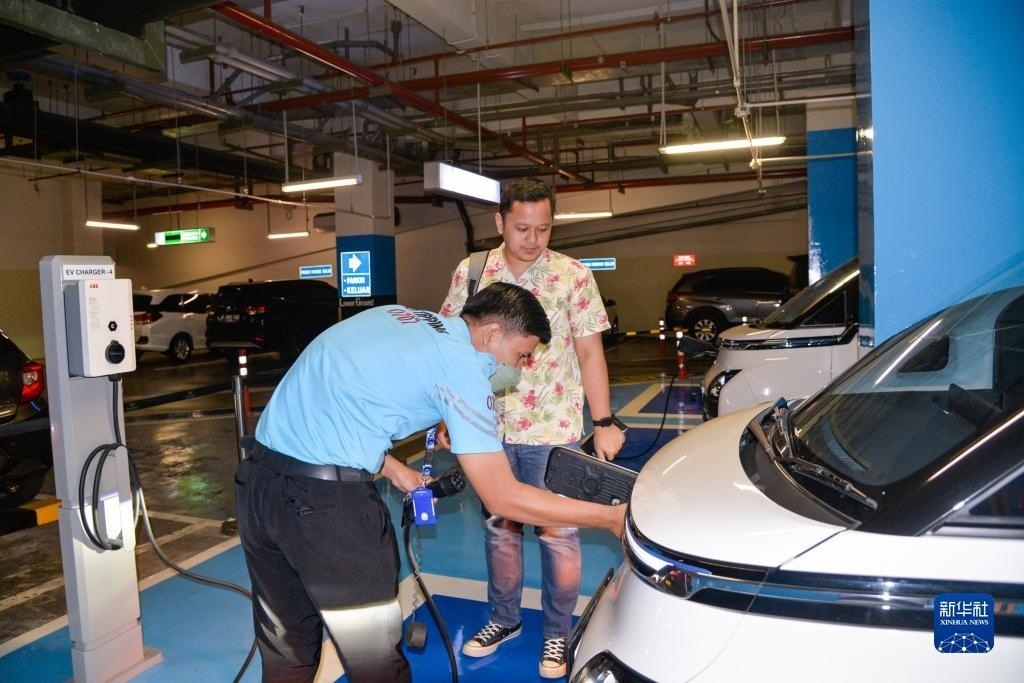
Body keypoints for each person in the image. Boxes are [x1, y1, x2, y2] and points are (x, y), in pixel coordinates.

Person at [234, 282, 625, 683]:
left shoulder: (400, 316)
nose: (520, 368)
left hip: (257, 487)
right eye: (521, 355)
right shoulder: (463, 370)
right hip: (325, 510)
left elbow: (340, 398)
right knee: (374, 663)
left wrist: (392, 468)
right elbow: (503, 498)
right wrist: (610, 518)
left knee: (288, 652)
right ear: (492, 333)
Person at [439, 177, 626, 679]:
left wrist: (603, 421)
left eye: (543, 228)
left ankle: (557, 634)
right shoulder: (472, 272)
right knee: (499, 528)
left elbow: (590, 352)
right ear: (499, 222)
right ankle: (504, 619)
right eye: (522, 228)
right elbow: (453, 348)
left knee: (558, 532)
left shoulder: (572, 275)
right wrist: (448, 415)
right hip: (486, 427)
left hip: (553, 427)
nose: (533, 239)